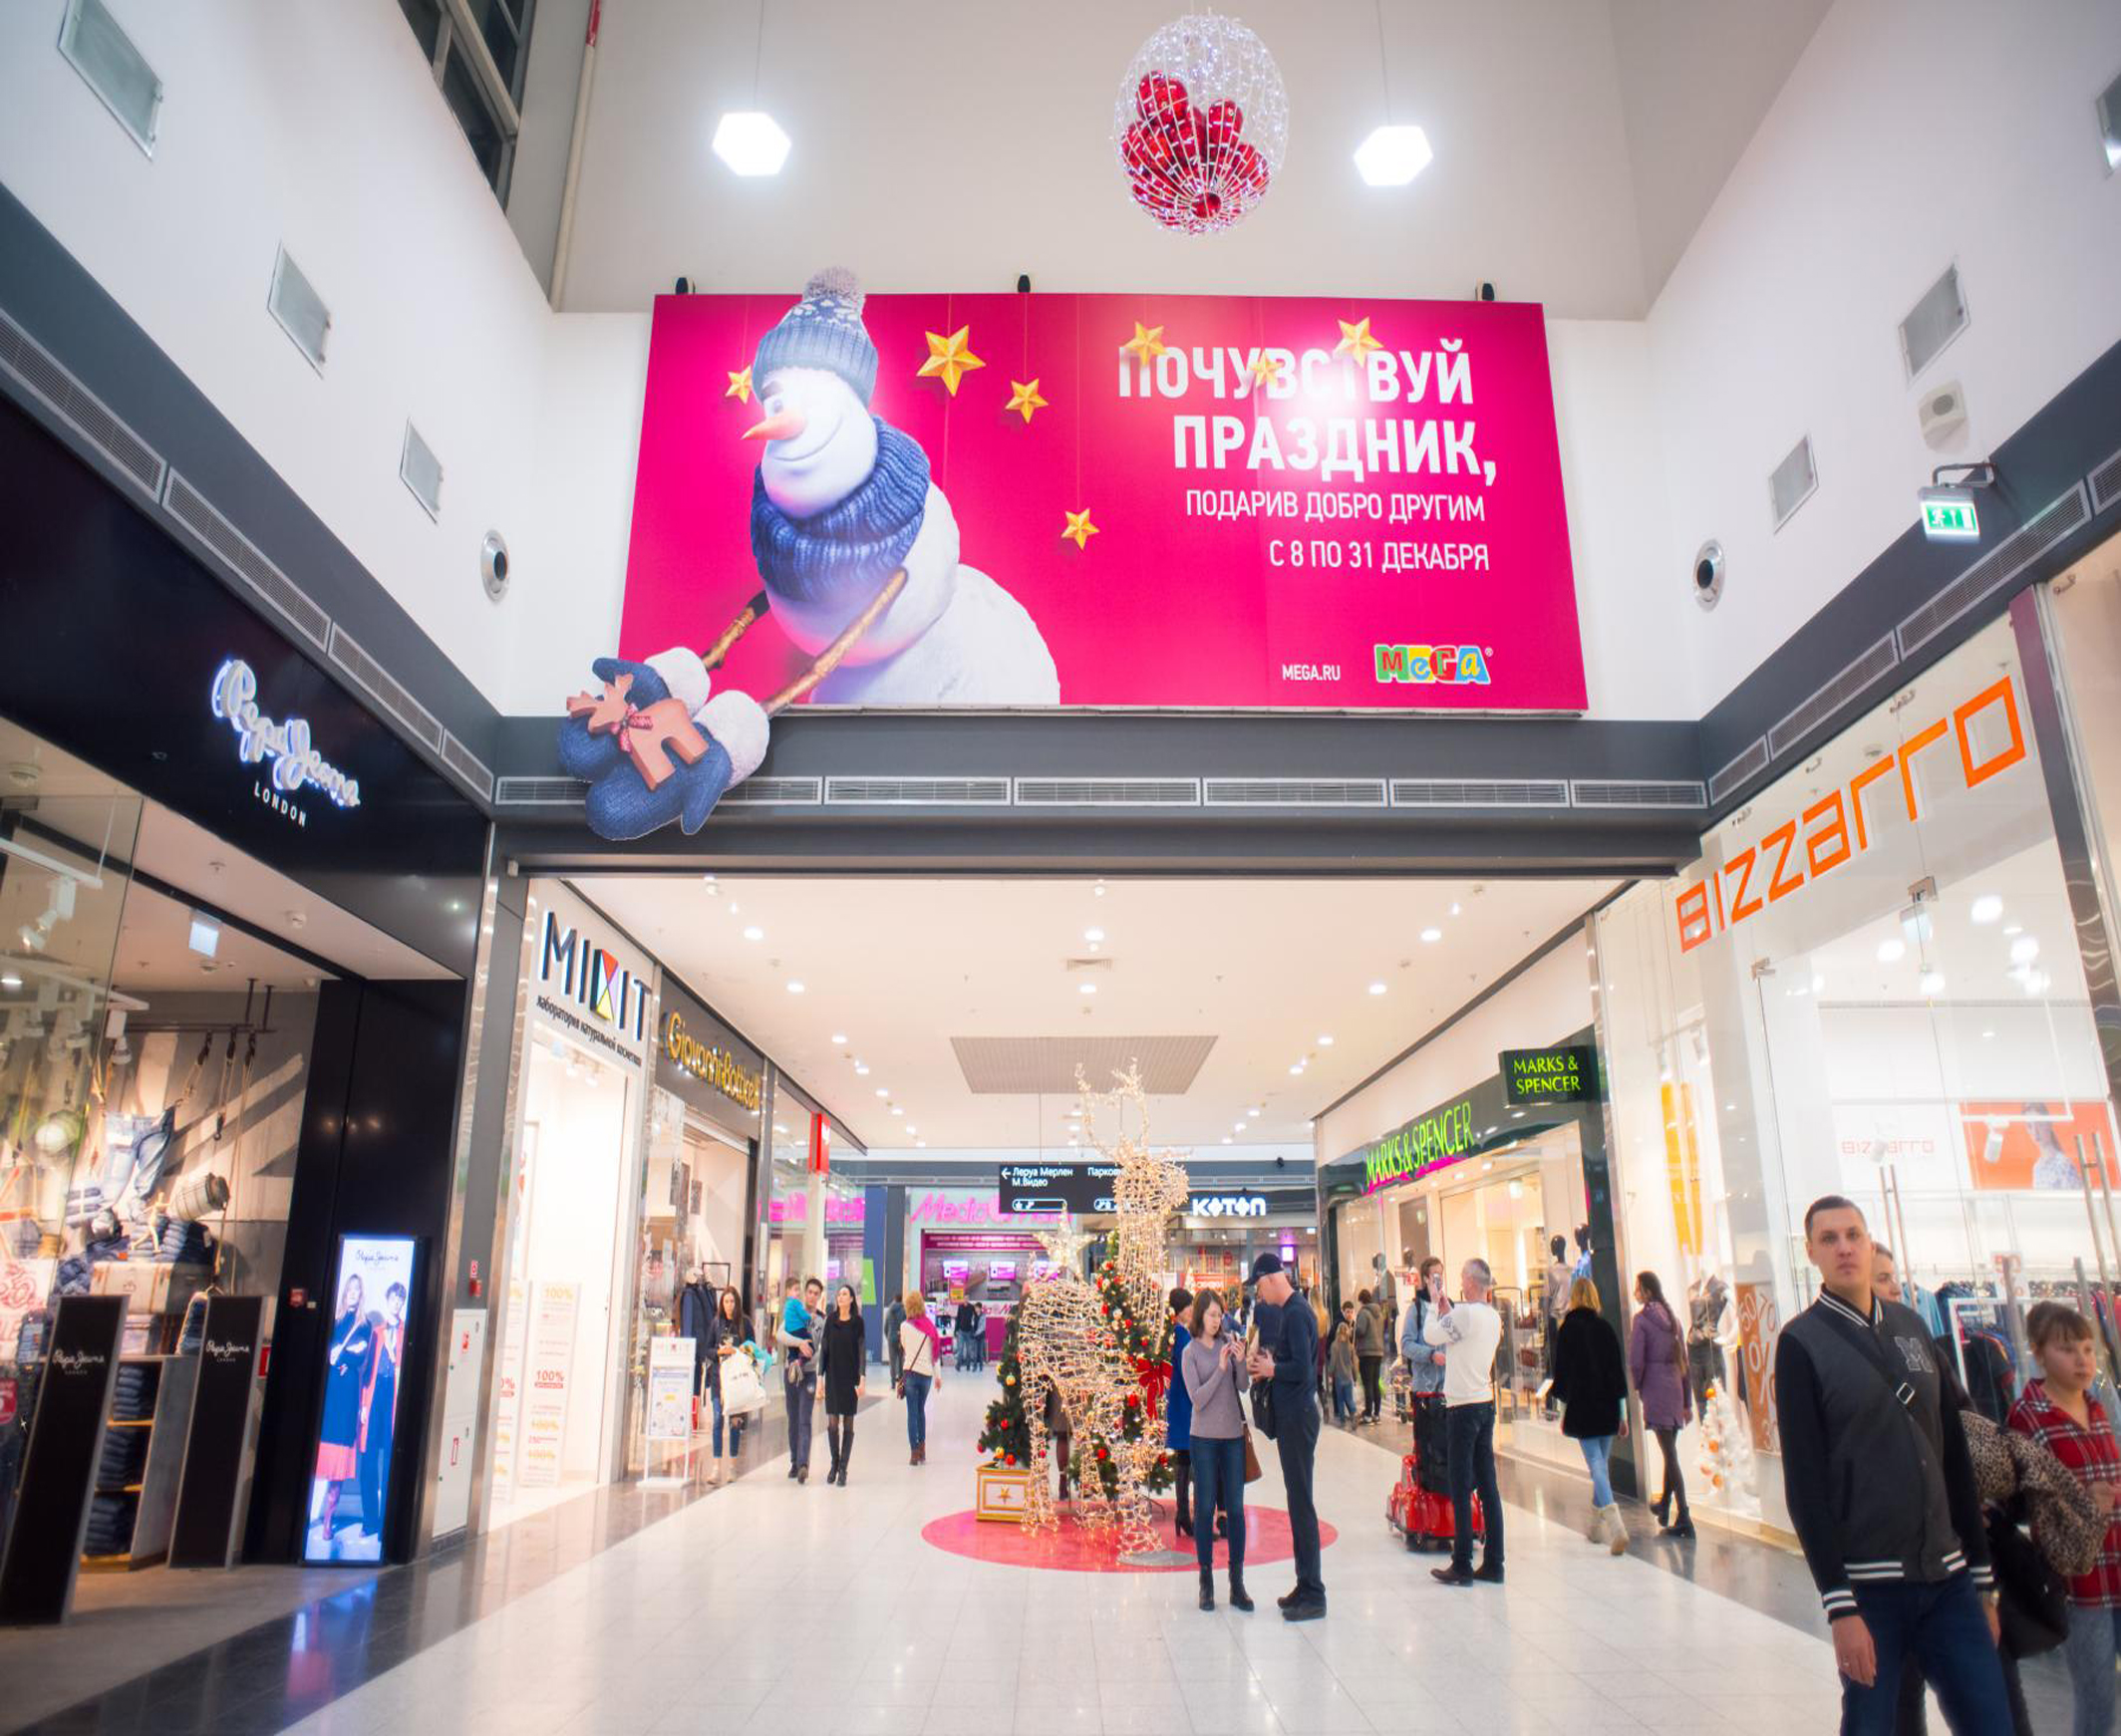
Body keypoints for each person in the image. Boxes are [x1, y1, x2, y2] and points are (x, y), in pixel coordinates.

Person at [1774, 1195, 2006, 1732]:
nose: (1844, 1248)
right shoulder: (1800, 1344)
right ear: (1811, 1253)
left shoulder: (1912, 1327)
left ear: (1869, 1241)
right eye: (1829, 1239)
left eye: (1853, 1235)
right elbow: (1805, 1484)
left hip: (1948, 1581)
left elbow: (1953, 1457)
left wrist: (1982, 1579)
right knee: (1874, 1724)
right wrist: (1840, 1606)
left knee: (1991, 1721)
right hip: (1870, 1589)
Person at [2008, 1300, 2121, 1736]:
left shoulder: (2099, 1407)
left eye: (2088, 1349)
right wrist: (2082, 1501)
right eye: (2067, 1349)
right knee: (2098, 1703)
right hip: (2079, 1583)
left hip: (2117, 1563)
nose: (2082, 1360)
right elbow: (2022, 1500)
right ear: (2039, 1353)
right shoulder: (2028, 1416)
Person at [1245, 1252, 1324, 1619]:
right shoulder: (1294, 1311)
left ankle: (1313, 1593)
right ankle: (1304, 1583)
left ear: (1272, 1278)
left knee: (1302, 1502)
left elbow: (1304, 1370)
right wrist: (1270, 1367)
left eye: (1259, 1286)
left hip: (1298, 1417)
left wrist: (1273, 1369)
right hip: (1294, 1416)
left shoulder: (1295, 1313)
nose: (1259, 1294)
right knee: (1297, 1500)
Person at [1425, 1257, 1505, 1587]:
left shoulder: (1466, 1314)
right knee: (1488, 1485)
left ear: (1471, 1281)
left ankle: (1462, 1563)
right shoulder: (1493, 1317)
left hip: (1462, 1409)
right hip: (1485, 1404)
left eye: (1462, 1277)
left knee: (1459, 1485)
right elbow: (1460, 1335)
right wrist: (1449, 1311)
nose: (1459, 1282)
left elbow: (1432, 1335)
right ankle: (1495, 1562)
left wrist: (1435, 1306)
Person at [1182, 1289, 1253, 1613]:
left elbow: (1243, 1387)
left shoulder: (1229, 1341)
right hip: (1204, 1439)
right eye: (1211, 1315)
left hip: (1232, 1437)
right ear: (1200, 1316)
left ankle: (1237, 1582)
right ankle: (1206, 1580)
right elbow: (1198, 1399)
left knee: (1235, 1509)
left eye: (1219, 1315)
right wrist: (1221, 1368)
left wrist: (1240, 1362)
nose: (1216, 1320)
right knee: (1205, 1506)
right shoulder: (1190, 1352)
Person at [1551, 1276, 1629, 1555]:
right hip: (1608, 1406)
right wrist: (1622, 1413)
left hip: (1582, 1406)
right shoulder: (1605, 1328)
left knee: (1596, 1465)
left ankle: (1616, 1526)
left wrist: (1562, 1410)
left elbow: (1562, 1375)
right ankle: (1595, 1527)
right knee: (1601, 1466)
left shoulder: (1567, 1330)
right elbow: (1617, 1373)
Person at [1630, 1270, 1693, 1537]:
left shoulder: (1642, 1321)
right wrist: (1687, 1401)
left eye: (1637, 1288)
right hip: (1675, 1388)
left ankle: (1684, 1514)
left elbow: (1636, 1360)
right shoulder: (1674, 1320)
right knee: (1670, 1450)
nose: (1635, 1292)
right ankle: (1665, 1504)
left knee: (1670, 1454)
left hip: (1656, 1388)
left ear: (1645, 1291)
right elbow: (1685, 1363)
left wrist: (1638, 1385)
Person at [312, 1275, 372, 1543]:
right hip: (330, 1390)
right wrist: (341, 1355)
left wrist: (341, 1354)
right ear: (345, 1292)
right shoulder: (334, 1320)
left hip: (347, 1394)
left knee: (338, 1462)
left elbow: (359, 1357)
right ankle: (312, 1513)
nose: (353, 1293)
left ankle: (328, 1519)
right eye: (350, 1289)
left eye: (357, 1290)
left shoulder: (365, 1325)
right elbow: (326, 1353)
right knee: (321, 1451)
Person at [356, 1282, 407, 1541]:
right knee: (368, 1460)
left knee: (389, 1461)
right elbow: (365, 1371)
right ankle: (370, 1520)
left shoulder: (406, 1333)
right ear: (387, 1300)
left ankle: (386, 1522)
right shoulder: (376, 1332)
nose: (396, 1302)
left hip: (393, 1400)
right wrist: (363, 1405)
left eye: (400, 1299)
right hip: (375, 1397)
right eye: (394, 1298)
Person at [775, 1276, 823, 1483]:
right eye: (809, 1292)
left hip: (809, 1374)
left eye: (816, 1294)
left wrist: (809, 1357)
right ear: (805, 1293)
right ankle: (794, 1462)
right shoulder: (793, 1311)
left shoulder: (821, 1321)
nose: (812, 1296)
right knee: (793, 1418)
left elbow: (822, 1349)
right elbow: (780, 1335)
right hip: (792, 1373)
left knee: (805, 1418)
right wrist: (800, 1343)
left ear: (820, 1297)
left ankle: (804, 1464)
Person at [818, 1283, 866, 1486]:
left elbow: (861, 1350)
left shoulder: (858, 1322)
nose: (840, 1297)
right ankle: (834, 1463)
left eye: (845, 1294)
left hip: (850, 1378)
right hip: (833, 1377)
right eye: (839, 1294)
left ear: (852, 1299)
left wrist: (862, 1378)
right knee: (832, 1423)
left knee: (848, 1422)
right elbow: (824, 1350)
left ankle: (843, 1468)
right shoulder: (830, 1320)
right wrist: (820, 1378)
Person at [707, 1285, 754, 1477]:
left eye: (732, 1301)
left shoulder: (745, 1323)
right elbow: (707, 1349)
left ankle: (733, 1466)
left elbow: (752, 1349)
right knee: (718, 1419)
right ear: (721, 1303)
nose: (729, 1305)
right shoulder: (716, 1323)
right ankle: (716, 1467)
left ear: (737, 1302)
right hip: (719, 1380)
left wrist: (739, 1351)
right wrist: (719, 1352)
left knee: (735, 1422)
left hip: (736, 1380)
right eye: (726, 1301)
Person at [898, 1291, 943, 1464]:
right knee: (920, 1411)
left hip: (910, 1373)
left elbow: (904, 1347)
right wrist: (938, 1377)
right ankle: (922, 1449)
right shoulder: (930, 1327)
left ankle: (914, 1453)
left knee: (912, 1413)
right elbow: (935, 1355)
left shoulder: (904, 1326)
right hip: (926, 1375)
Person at [1166, 1288, 1196, 1539]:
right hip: (1185, 1403)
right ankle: (1184, 1514)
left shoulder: (1176, 1333)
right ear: (1180, 1310)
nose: (1192, 1310)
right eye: (1189, 1306)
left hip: (1179, 1401)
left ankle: (1183, 1513)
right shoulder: (1181, 1334)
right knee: (1186, 1456)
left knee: (1184, 1457)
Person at [1399, 1256, 1448, 1401]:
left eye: (1441, 1274)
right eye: (1435, 1275)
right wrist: (1431, 1355)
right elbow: (1406, 1345)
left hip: (1448, 1387)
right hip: (1424, 1388)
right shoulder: (1416, 1308)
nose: (1439, 1279)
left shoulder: (1448, 1305)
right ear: (1426, 1279)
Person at [1354, 1289, 1385, 1425]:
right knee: (1375, 1383)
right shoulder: (1379, 1313)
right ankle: (1376, 1414)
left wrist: (1353, 1328)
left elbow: (1361, 1330)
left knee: (1368, 1384)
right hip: (1378, 1352)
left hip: (1366, 1353)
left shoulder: (1364, 1313)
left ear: (1361, 1300)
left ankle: (1367, 1415)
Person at [1329, 1321, 1359, 1426]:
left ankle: (1342, 1421)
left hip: (1339, 1377)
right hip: (1348, 1376)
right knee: (1349, 1399)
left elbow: (1332, 1362)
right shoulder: (1350, 1346)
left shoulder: (1334, 1346)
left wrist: (1330, 1373)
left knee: (1340, 1399)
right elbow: (1354, 1363)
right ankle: (1354, 1414)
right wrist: (1355, 1376)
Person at [884, 1290, 906, 1386]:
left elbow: (886, 1326)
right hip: (900, 1338)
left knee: (892, 1361)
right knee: (901, 1360)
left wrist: (888, 1336)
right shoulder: (904, 1310)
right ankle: (900, 1382)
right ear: (901, 1300)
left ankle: (892, 1383)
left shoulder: (889, 1310)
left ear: (894, 1299)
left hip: (891, 1338)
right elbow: (906, 1325)